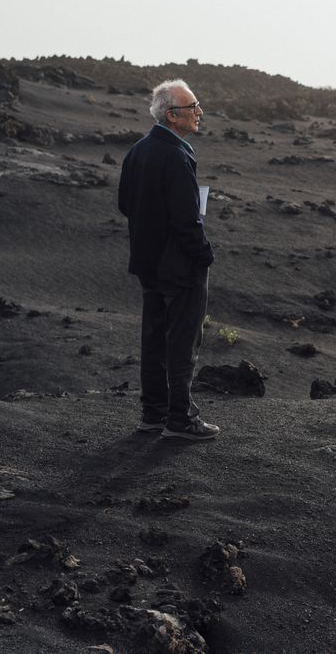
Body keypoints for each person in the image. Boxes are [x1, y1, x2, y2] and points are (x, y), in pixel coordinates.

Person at [118, 79, 219, 441]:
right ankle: (180, 419)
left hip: (148, 263)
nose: (199, 112)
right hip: (180, 266)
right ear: (173, 116)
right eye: (193, 107)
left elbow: (125, 204)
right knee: (182, 343)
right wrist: (203, 254)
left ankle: (153, 414)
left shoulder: (138, 150)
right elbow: (186, 220)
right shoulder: (175, 156)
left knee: (154, 340)